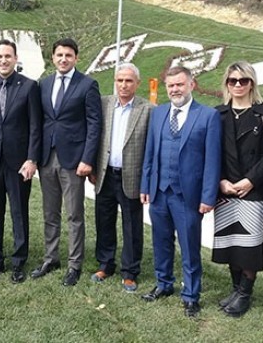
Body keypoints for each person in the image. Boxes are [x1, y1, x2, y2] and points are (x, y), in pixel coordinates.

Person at [139, 65, 221, 318]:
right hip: (159, 191)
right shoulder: (159, 113)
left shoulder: (208, 116)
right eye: (171, 85)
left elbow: (212, 161)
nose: (175, 89)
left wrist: (208, 196)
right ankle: (163, 283)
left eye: (179, 84)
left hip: (188, 195)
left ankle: (191, 295)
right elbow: (150, 151)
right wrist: (145, 185)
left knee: (189, 246)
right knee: (161, 241)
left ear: (191, 85)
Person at [32, 38, 101, 287]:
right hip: (47, 158)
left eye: (68, 55)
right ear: (53, 58)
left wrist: (87, 159)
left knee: (74, 214)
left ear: (76, 58)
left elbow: (94, 124)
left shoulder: (88, 84)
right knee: (50, 213)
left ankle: (74, 264)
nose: (63, 59)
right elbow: (40, 121)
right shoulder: (44, 84)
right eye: (59, 55)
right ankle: (51, 259)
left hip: (73, 160)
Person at [212, 61, 263, 318]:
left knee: (249, 244)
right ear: (227, 84)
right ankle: (235, 288)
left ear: (252, 83)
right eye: (233, 80)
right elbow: (211, 152)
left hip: (253, 189)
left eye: (244, 80)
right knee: (230, 241)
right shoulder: (218, 114)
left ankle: (245, 293)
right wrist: (221, 180)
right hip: (226, 188)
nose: (238, 85)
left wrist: (251, 180)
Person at [0, 39, 42, 285]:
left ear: (15, 58)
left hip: (18, 163)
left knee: (19, 213)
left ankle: (18, 262)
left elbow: (35, 127)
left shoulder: (29, 86)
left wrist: (32, 159)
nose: (3, 60)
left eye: (7, 56)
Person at [89, 63, 152, 292]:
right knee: (104, 221)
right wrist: (93, 167)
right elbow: (94, 135)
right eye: (120, 80)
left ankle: (130, 272)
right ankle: (105, 264)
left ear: (137, 83)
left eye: (128, 81)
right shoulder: (104, 104)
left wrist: (147, 180)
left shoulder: (148, 109)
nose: (123, 85)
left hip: (131, 176)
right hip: (105, 174)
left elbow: (151, 148)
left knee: (132, 226)